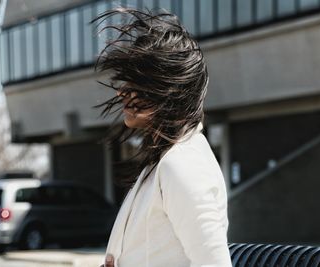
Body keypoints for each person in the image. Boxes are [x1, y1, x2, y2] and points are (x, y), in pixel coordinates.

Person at [92, 7, 232, 267]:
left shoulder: (182, 164)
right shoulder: (166, 159)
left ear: (166, 90)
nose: (123, 93)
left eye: (135, 84)